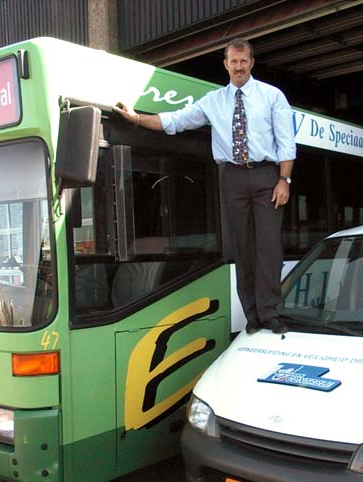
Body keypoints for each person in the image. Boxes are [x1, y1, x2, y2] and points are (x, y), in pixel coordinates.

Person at [114, 38, 296, 335]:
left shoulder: (272, 96)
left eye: (243, 61)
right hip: (232, 177)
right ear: (225, 64)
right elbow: (176, 121)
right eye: (233, 61)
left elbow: (286, 142)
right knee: (242, 249)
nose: (238, 66)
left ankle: (270, 313)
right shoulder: (213, 101)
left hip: (266, 176)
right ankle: (252, 316)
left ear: (251, 63)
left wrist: (283, 180)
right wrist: (136, 118)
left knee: (268, 248)